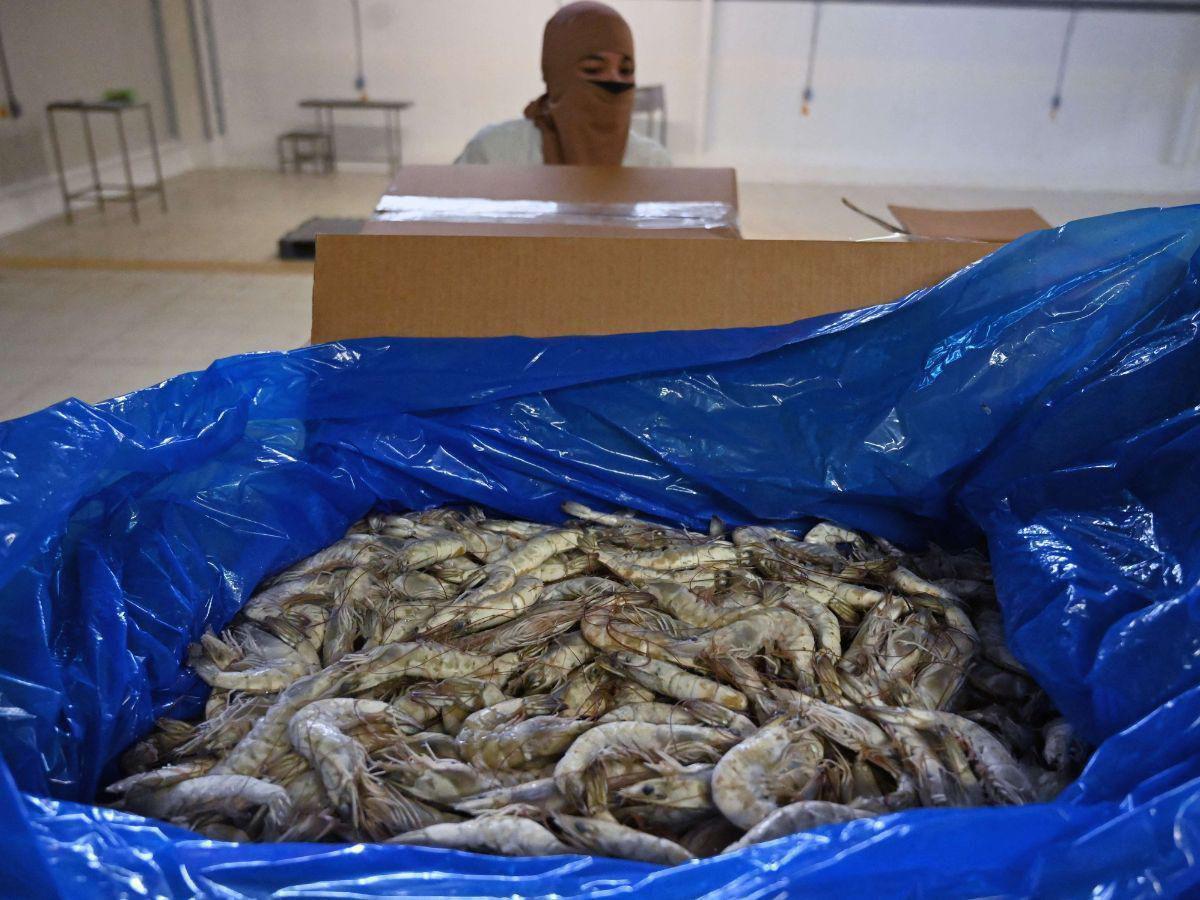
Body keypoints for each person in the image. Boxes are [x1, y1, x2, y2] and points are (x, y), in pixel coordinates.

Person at [456, 2, 669, 167]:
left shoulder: (651, 163)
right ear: (557, 74)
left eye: (626, 70)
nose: (615, 80)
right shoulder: (496, 153)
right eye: (593, 69)